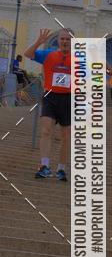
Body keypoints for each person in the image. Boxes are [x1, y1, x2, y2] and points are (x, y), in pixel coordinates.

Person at [24, 28, 72, 181]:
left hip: (69, 98)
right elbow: (28, 54)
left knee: (66, 136)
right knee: (46, 131)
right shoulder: (48, 54)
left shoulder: (79, 58)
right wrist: (39, 42)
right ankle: (44, 166)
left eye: (68, 39)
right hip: (50, 96)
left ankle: (61, 169)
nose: (65, 41)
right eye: (62, 39)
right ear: (58, 40)